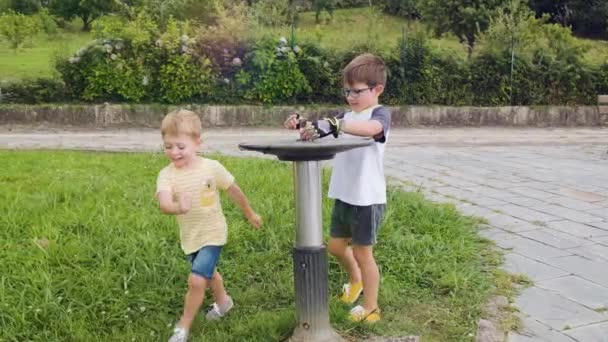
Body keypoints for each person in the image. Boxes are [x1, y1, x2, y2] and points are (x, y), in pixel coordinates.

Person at [284, 53, 390, 323]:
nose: (351, 97)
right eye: (347, 91)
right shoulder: (346, 116)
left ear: (377, 89)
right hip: (344, 194)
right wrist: (301, 124)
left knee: (363, 252)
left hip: (366, 198)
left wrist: (337, 124)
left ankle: (371, 307)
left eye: (357, 91)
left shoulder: (378, 114)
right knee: (335, 246)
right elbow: (321, 128)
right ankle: (356, 281)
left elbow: (372, 129)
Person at [155, 109, 262, 342]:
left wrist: (249, 213)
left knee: (196, 279)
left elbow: (234, 190)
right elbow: (164, 204)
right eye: (168, 146)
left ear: (197, 144)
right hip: (190, 235)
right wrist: (177, 207)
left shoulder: (211, 167)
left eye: (180, 147)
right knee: (209, 273)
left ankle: (183, 326)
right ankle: (224, 303)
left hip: (213, 232)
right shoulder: (166, 175)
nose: (174, 152)